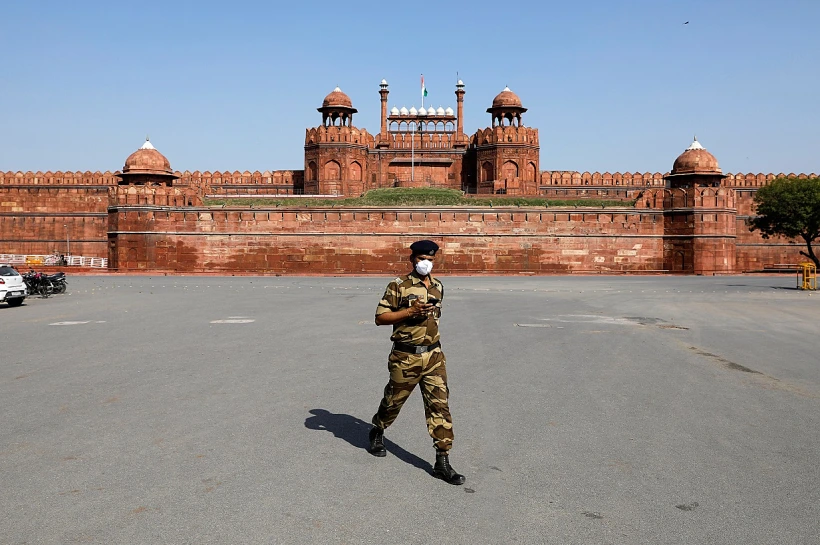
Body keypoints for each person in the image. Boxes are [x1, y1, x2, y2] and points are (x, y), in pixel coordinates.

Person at [368, 239, 465, 485]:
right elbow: (381, 317)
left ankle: (442, 460)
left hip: (433, 356)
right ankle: (378, 429)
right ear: (412, 259)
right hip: (406, 356)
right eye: (421, 259)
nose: (426, 263)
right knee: (393, 402)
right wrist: (409, 313)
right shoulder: (398, 285)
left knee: (439, 407)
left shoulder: (438, 287)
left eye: (430, 260)